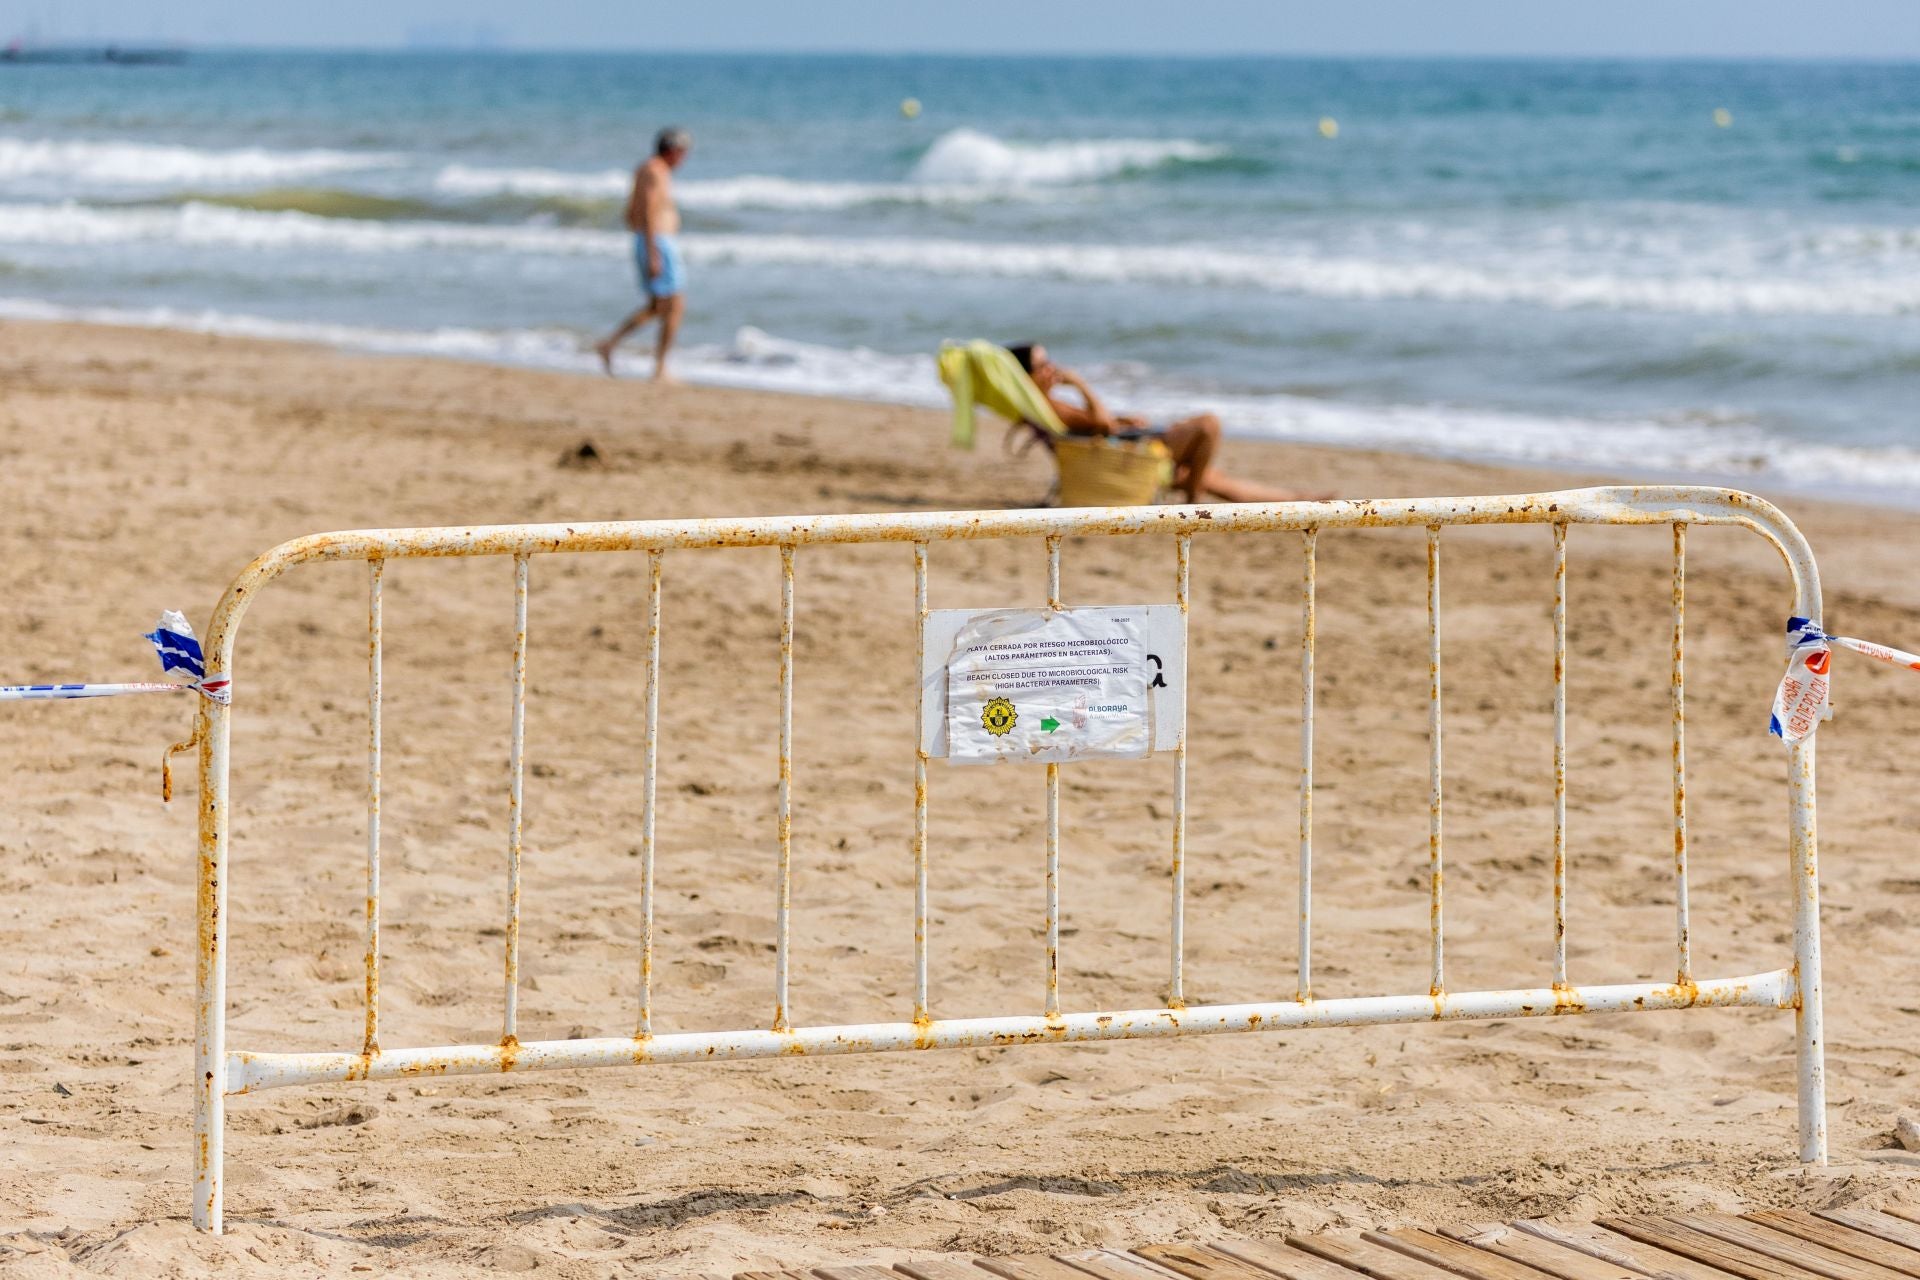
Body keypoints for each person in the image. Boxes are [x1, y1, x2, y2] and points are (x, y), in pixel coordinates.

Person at [1007, 344, 1330, 504]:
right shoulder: (1048, 403)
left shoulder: (1044, 404)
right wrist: (1079, 384)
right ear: (1027, 375)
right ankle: (1191, 506)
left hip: (1126, 447)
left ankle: (1299, 499)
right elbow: (1100, 424)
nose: (1052, 369)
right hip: (1127, 458)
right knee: (1207, 426)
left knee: (1212, 479)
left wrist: (1122, 420)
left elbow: (1099, 424)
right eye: (1042, 365)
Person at [595, 127, 693, 382]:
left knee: (658, 306)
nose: (684, 159)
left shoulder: (650, 169)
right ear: (673, 151)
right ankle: (660, 366)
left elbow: (631, 213)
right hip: (657, 242)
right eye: (683, 153)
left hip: (653, 241)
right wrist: (653, 252)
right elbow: (647, 211)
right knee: (674, 306)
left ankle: (610, 344)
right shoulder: (654, 170)